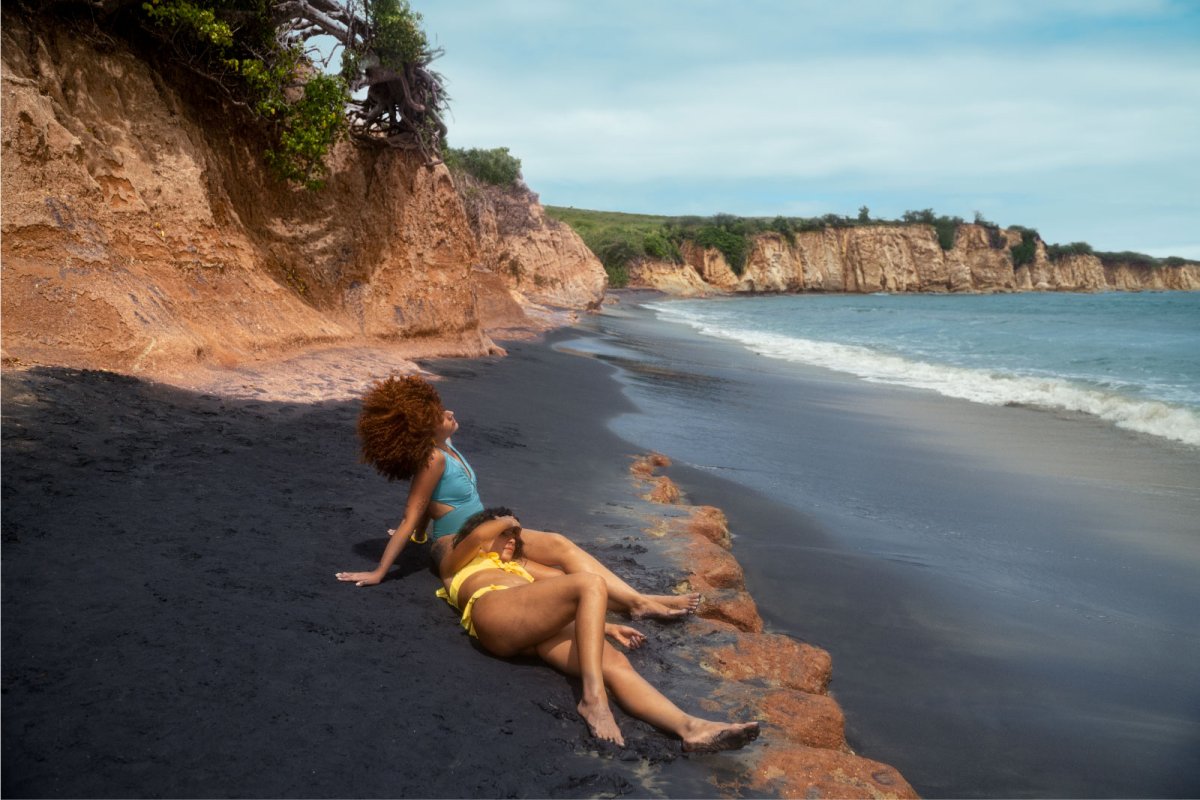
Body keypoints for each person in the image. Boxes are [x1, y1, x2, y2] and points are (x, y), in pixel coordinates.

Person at [335, 376, 698, 620]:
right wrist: (380, 572)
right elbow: (413, 514)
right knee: (549, 574)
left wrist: (418, 537)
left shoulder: (447, 448)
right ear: (424, 427)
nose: (449, 413)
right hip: (461, 544)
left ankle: (638, 600)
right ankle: (638, 603)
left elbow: (431, 508)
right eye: (439, 415)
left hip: (485, 532)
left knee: (559, 544)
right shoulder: (433, 457)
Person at [438, 507, 761, 751]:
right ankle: (593, 700)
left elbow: (558, 595)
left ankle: (691, 728)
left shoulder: (517, 566)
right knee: (591, 583)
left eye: (515, 538)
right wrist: (509, 519)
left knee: (617, 664)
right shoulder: (459, 563)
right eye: (505, 535)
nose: (512, 540)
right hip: (494, 614)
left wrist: (603, 626)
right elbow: (480, 537)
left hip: (529, 629)